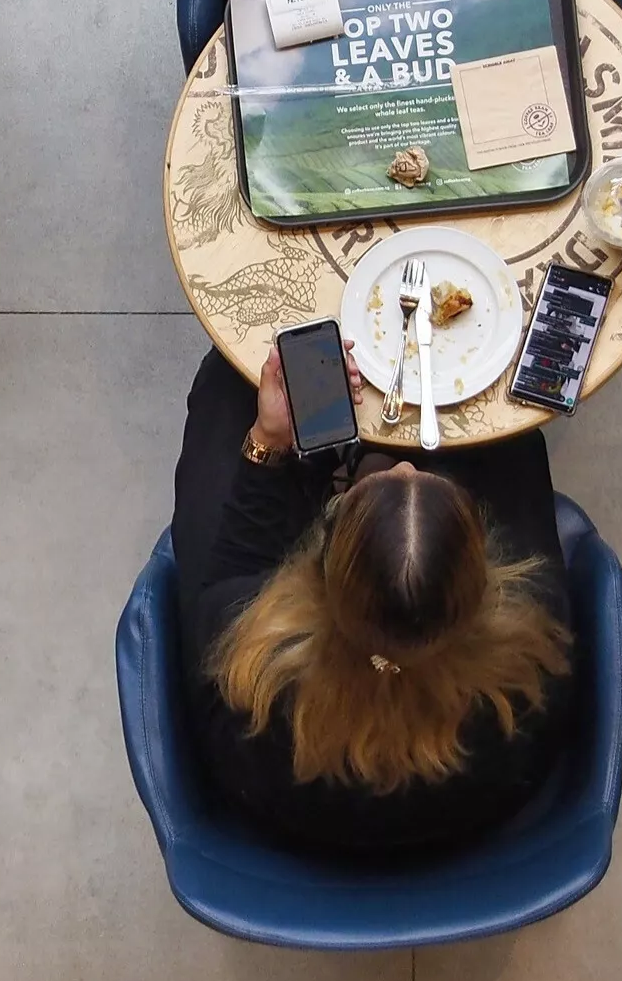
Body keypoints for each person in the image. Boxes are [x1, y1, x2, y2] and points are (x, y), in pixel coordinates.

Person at [170, 344, 574, 854]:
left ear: (322, 572)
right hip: (470, 822)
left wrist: (269, 441)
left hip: (283, 822)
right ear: (481, 584)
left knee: (226, 382)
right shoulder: (533, 672)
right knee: (512, 447)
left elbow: (238, 564)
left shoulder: (245, 676)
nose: (403, 467)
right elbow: (521, 478)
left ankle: (323, 456)